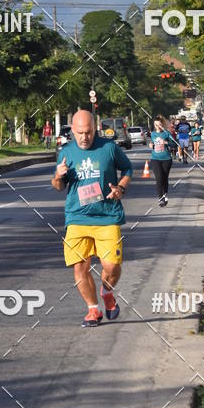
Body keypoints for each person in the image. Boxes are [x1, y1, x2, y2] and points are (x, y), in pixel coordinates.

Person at [51, 109, 133, 327]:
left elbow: (127, 169)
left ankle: (107, 292)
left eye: (87, 132)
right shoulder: (66, 152)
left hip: (107, 216)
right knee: (79, 267)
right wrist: (58, 176)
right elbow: (58, 187)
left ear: (95, 129)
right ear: (72, 132)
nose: (84, 137)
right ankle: (93, 310)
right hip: (77, 217)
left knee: (112, 266)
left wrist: (120, 189)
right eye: (79, 133)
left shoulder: (109, 148)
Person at [149, 115, 177, 206]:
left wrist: (166, 142)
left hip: (166, 159)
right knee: (159, 178)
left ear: (162, 125)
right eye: (156, 125)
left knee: (164, 178)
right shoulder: (153, 134)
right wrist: (151, 145)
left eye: (159, 125)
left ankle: (165, 195)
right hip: (155, 159)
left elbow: (174, 145)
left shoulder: (166, 133)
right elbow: (152, 142)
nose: (157, 126)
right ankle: (160, 198)